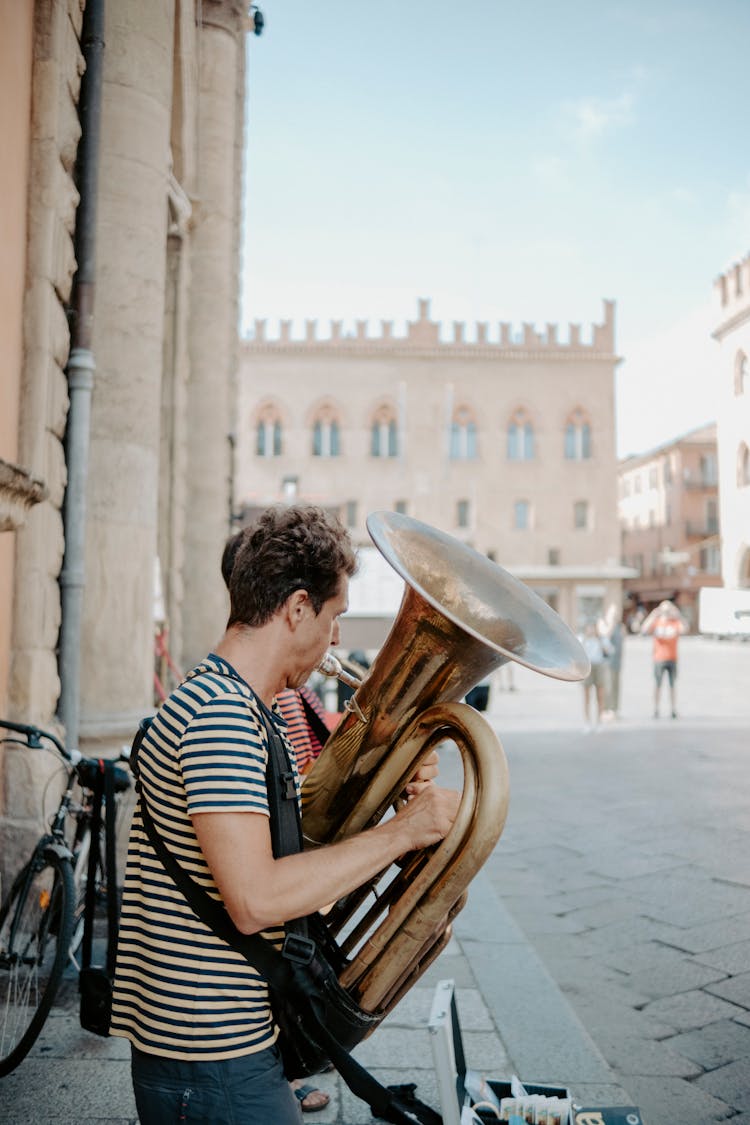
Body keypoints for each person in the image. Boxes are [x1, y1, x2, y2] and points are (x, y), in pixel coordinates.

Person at [111, 505, 459, 1124]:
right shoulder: (220, 717)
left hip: (221, 1045)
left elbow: (289, 851)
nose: (335, 641)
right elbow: (257, 898)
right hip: (210, 1053)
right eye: (335, 618)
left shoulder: (243, 705)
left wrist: (388, 792)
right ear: (298, 607)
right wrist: (402, 832)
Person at [640, 598, 688, 719]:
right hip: (659, 658)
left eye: (668, 610)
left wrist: (679, 616)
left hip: (672, 658)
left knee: (672, 686)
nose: (666, 612)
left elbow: (685, 629)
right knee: (657, 685)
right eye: (664, 610)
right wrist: (653, 615)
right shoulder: (656, 622)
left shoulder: (674, 622)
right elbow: (644, 629)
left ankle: (673, 709)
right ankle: (656, 709)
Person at [578, 620, 611, 732]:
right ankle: (587, 722)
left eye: (593, 627)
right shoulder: (582, 638)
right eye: (589, 627)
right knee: (587, 697)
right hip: (588, 668)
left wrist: (600, 639)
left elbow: (609, 651)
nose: (591, 630)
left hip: (599, 666)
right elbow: (577, 652)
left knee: (600, 696)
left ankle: (599, 722)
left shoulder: (602, 639)